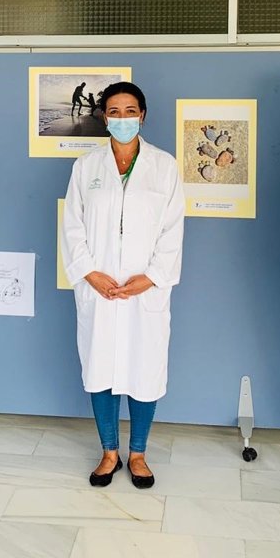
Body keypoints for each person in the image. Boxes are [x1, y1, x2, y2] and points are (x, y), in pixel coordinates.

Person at [61, 81, 185, 490]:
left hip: (145, 288)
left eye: (130, 111)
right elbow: (72, 225)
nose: (122, 118)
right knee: (99, 368)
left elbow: (172, 229)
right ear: (104, 117)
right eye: (114, 111)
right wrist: (89, 272)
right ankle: (109, 452)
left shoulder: (164, 166)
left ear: (142, 116)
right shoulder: (86, 167)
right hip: (99, 287)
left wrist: (151, 278)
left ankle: (139, 454)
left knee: (145, 368)